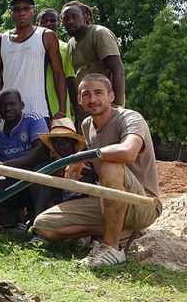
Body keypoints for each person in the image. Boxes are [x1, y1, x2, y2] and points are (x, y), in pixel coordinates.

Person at [32, 74, 161, 267]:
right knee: (43, 226)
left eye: (98, 93)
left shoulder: (130, 118)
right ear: (79, 100)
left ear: (111, 96)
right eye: (86, 94)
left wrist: (82, 157)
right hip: (109, 201)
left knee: (111, 164)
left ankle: (112, 248)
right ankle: (120, 232)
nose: (92, 99)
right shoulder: (86, 125)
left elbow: (127, 152)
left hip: (142, 204)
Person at [0, 0, 67, 121]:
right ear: (11, 13)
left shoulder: (46, 36)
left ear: (33, 11)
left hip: (38, 112)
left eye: (26, 8)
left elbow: (58, 73)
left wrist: (62, 111)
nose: (21, 13)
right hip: (6, 113)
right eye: (16, 9)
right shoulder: (0, 41)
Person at [0, 89, 50, 230]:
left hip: (32, 176)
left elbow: (41, 152)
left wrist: (6, 165)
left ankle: (37, 223)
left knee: (41, 173)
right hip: (8, 178)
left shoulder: (33, 119)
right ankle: (12, 220)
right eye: (3, 105)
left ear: (22, 105)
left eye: (12, 104)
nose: (8, 109)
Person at [61, 1, 126, 128]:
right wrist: (77, 116)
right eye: (66, 19)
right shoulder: (70, 43)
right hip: (86, 109)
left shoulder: (99, 33)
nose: (70, 21)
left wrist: (117, 107)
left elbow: (118, 70)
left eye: (74, 16)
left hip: (106, 107)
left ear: (85, 16)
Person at [36, 8, 77, 119]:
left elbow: (70, 80)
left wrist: (77, 112)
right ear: (37, 24)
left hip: (59, 109)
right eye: (44, 21)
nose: (48, 24)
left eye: (53, 21)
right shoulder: (29, 47)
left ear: (59, 24)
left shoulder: (65, 48)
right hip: (34, 107)